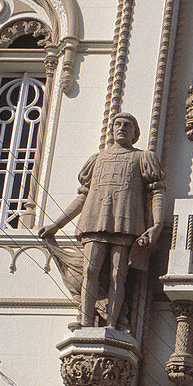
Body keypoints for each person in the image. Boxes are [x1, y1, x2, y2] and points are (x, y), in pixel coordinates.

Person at [39, 113, 164, 329]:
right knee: (90, 271)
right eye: (118, 124)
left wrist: (157, 225)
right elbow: (83, 197)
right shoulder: (96, 159)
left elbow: (157, 191)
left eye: (128, 125)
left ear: (135, 133)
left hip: (125, 223)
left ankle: (112, 324)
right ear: (112, 129)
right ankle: (85, 320)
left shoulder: (142, 157)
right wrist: (57, 225)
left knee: (118, 275)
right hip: (95, 221)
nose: (122, 128)